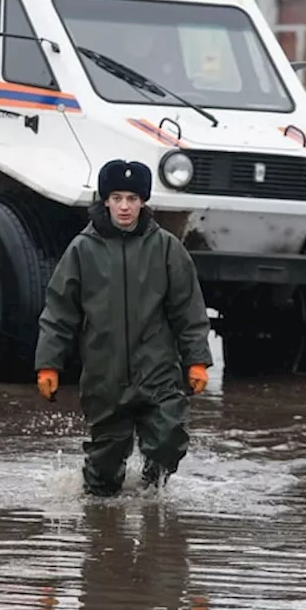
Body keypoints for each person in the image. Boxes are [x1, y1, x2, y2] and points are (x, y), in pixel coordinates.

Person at [34, 158, 213, 497]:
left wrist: (197, 360)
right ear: (105, 200)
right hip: (105, 375)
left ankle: (150, 493)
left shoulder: (166, 249)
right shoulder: (82, 250)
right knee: (105, 472)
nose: (125, 207)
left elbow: (189, 310)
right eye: (117, 198)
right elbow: (59, 313)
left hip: (157, 371)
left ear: (143, 201)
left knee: (169, 441)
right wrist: (48, 365)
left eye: (132, 198)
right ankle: (101, 528)